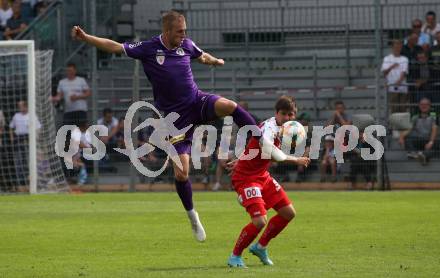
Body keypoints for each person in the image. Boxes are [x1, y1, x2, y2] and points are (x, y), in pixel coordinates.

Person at [71, 10, 256, 242]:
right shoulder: (149, 48)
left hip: (196, 102)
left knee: (229, 105)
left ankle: (258, 138)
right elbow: (115, 46)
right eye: (180, 31)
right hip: (175, 120)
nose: (184, 35)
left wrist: (215, 61)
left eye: (185, 31)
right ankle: (192, 216)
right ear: (167, 31)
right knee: (182, 173)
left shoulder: (186, 45)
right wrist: (87, 37)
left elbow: (201, 55)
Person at [226, 96, 310, 268]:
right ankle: (234, 256)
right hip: (246, 178)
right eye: (284, 114)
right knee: (260, 221)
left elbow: (254, 145)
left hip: (262, 175)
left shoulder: (282, 128)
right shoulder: (269, 128)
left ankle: (260, 247)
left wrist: (241, 158)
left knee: (288, 213)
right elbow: (275, 156)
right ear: (276, 113)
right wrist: (297, 160)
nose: (288, 118)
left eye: (291, 114)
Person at [9, 100, 40, 185]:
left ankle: (30, 181)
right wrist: (12, 138)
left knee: (28, 161)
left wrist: (36, 139)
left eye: (21, 106)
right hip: (18, 140)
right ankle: (20, 182)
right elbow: (11, 127)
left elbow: (38, 128)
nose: (20, 107)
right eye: (19, 106)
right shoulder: (16, 116)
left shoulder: (32, 115)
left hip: (28, 140)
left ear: (26, 106)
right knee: (18, 161)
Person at [399, 98, 438, 165]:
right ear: (419, 106)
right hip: (419, 140)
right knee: (408, 137)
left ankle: (423, 155)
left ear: (429, 106)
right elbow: (409, 128)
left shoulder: (434, 115)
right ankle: (417, 154)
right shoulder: (415, 117)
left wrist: (431, 142)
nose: (424, 106)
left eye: (426, 104)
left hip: (430, 140)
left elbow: (435, 129)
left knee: (435, 145)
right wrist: (401, 137)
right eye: (422, 104)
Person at [381, 40, 409, 113]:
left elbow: (404, 72)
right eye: (396, 45)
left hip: (402, 87)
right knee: (394, 109)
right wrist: (392, 66)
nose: (398, 47)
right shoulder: (387, 59)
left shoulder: (404, 59)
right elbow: (384, 72)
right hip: (392, 88)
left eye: (399, 45)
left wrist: (398, 82)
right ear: (392, 47)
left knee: (403, 108)